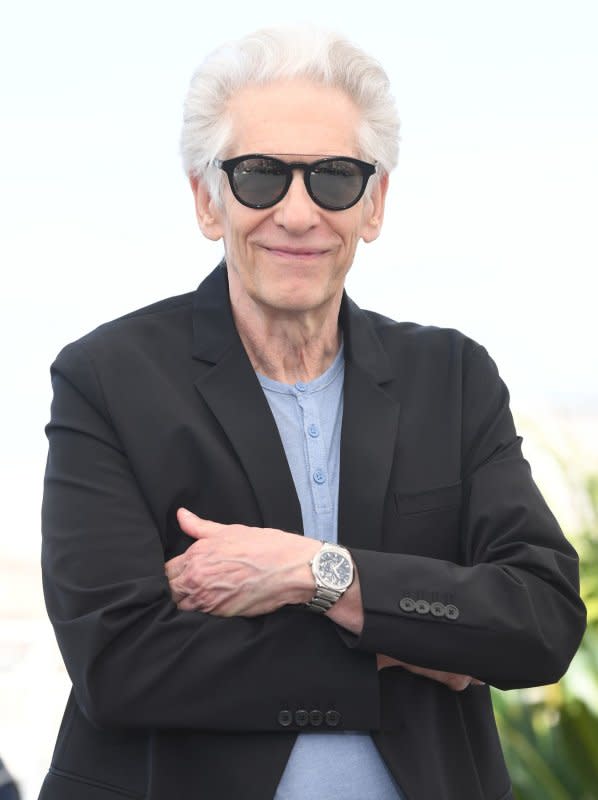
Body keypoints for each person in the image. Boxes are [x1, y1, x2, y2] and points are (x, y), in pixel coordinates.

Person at [39, 24, 586, 800]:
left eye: (334, 178)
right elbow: (122, 663)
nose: (297, 214)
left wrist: (310, 573)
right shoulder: (109, 379)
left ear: (374, 203)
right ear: (207, 197)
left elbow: (539, 622)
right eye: (260, 176)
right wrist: (415, 640)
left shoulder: (454, 377)